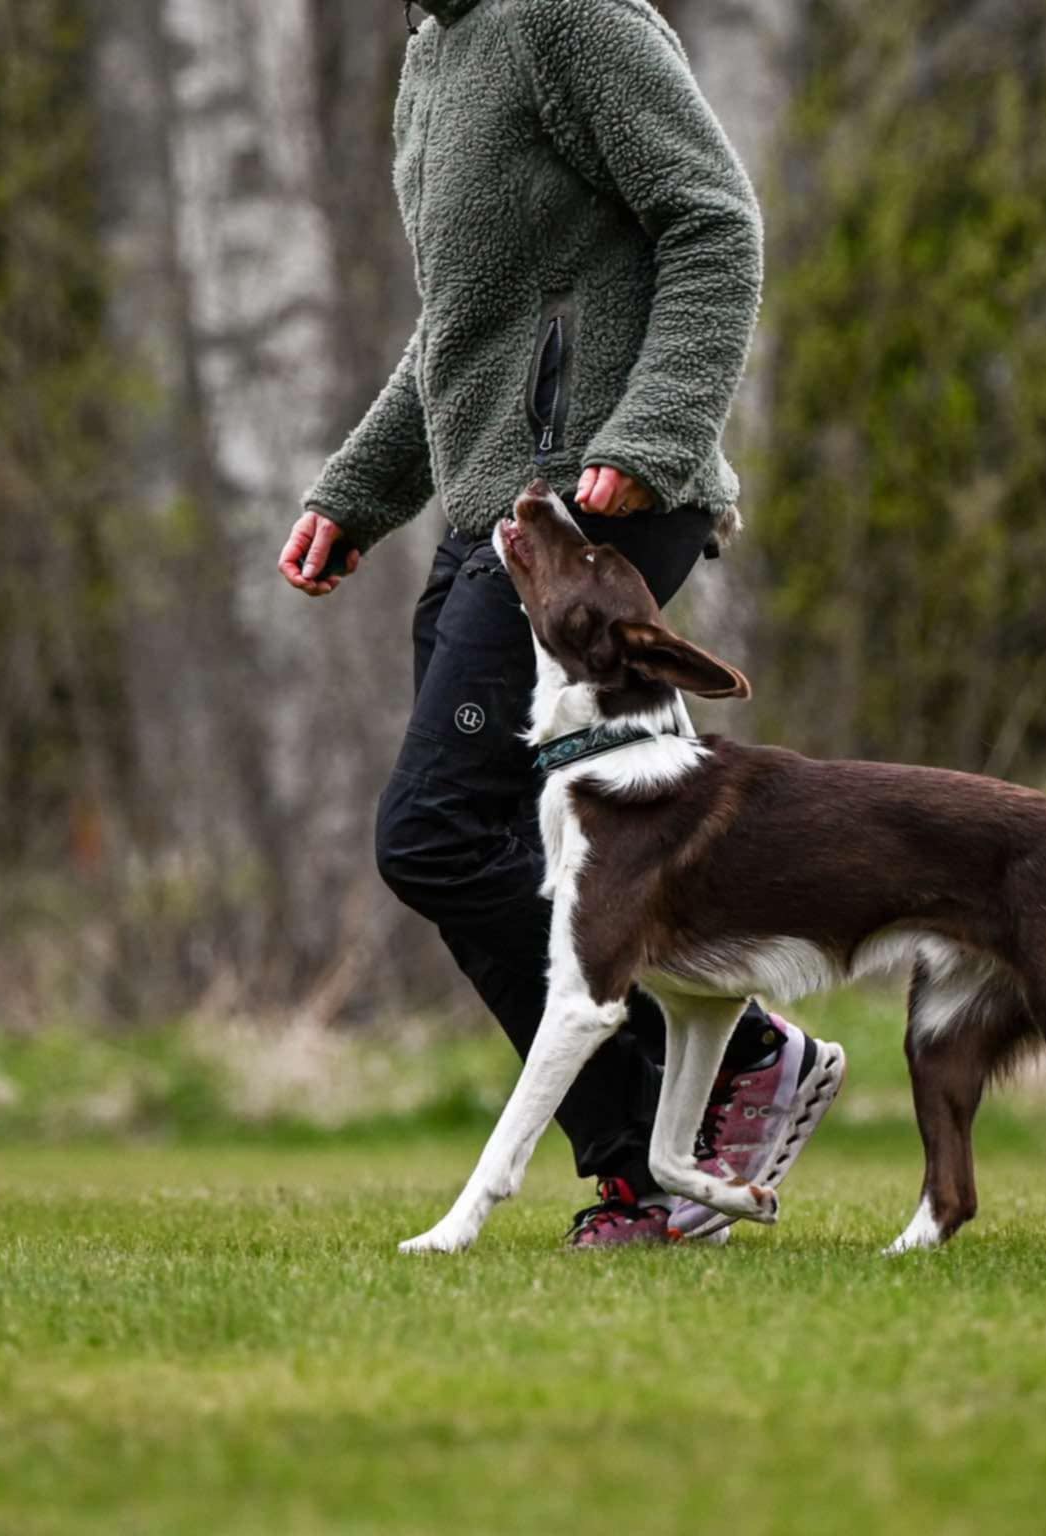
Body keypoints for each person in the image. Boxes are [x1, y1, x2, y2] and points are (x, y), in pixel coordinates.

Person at [276, 0, 842, 1247]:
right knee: (475, 836)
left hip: (605, 505)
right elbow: (463, 326)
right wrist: (357, 493)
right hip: (500, 516)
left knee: (430, 831)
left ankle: (721, 1079)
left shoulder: (567, 18)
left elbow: (715, 226)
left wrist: (649, 437)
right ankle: (691, 1105)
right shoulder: (433, 51)